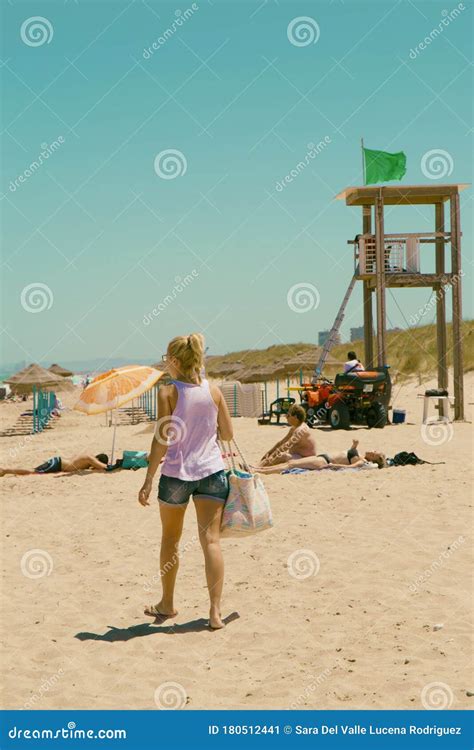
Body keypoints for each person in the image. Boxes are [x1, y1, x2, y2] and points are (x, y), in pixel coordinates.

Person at [138, 333, 233, 630]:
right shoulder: (214, 391)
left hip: (177, 475)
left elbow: (161, 441)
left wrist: (148, 478)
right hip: (212, 472)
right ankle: (215, 612)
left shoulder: (168, 393)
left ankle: (167, 603)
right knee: (211, 541)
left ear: (176, 361)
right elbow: (228, 434)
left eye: (167, 358)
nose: (165, 363)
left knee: (170, 539)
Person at [255, 440, 386, 474]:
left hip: (324, 461)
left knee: (290, 465)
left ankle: (259, 471)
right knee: (289, 461)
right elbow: (349, 454)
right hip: (321, 458)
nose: (373, 450)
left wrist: (334, 466)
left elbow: (351, 466)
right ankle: (258, 469)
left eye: (375, 453)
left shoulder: (361, 461)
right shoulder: (359, 455)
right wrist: (354, 445)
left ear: (373, 459)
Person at [0, 453, 109, 476]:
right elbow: (104, 467)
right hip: (57, 464)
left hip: (58, 463)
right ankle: (5, 470)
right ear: (98, 459)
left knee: (34, 471)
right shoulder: (90, 458)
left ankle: (6, 471)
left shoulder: (87, 458)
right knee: (33, 471)